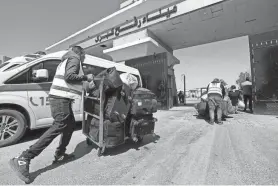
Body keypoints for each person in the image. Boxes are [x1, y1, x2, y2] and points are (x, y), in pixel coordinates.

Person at [9, 46, 94, 183]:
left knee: (70, 125)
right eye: (84, 56)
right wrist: (86, 77)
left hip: (61, 98)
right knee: (59, 125)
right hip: (61, 99)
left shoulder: (65, 60)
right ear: (80, 53)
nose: (84, 58)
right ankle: (24, 158)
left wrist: (83, 84)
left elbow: (70, 81)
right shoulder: (74, 58)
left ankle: (60, 154)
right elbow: (70, 77)